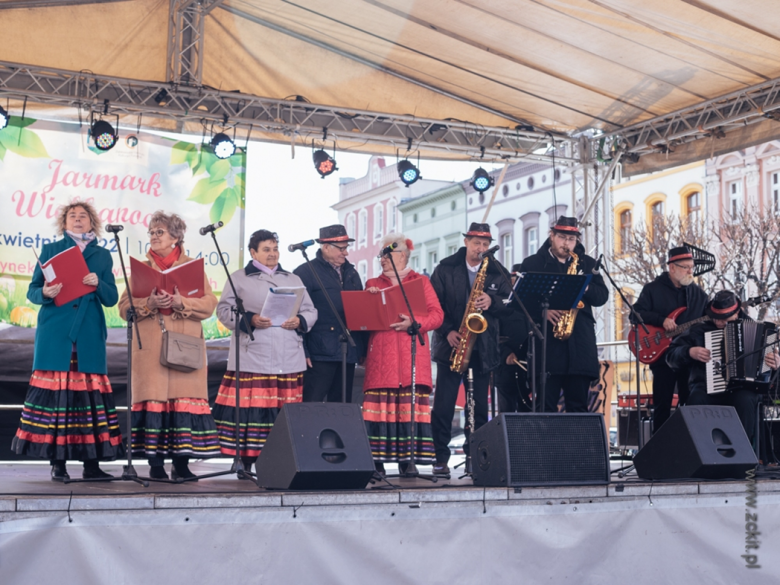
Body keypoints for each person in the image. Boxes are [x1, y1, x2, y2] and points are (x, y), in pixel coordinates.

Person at [12, 201, 123, 480]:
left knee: (89, 403)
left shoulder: (103, 255)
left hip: (88, 334)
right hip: (56, 334)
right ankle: (57, 464)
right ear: (64, 223)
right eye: (72, 216)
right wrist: (46, 292)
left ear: (92, 223)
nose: (77, 219)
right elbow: (33, 291)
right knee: (57, 403)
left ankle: (92, 466)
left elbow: (111, 299)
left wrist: (99, 283)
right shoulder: (51, 250)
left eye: (83, 216)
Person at [118, 211, 220, 480]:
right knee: (155, 402)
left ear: (175, 237)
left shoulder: (193, 267)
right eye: (151, 232)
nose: (153, 236)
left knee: (182, 403)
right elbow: (123, 307)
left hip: (184, 347)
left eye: (159, 231)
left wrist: (181, 303)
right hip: (150, 349)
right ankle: (155, 465)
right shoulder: (140, 268)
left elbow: (210, 304)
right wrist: (148, 304)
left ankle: (182, 464)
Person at [214, 230, 317, 473]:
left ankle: (281, 461)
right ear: (253, 253)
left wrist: (300, 320)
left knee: (282, 413)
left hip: (288, 354)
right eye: (266, 249)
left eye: (274, 249)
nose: (272, 254)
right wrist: (250, 319)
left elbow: (311, 310)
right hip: (254, 354)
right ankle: (246, 462)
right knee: (252, 413)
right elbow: (223, 311)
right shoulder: (238, 278)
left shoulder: (293, 279)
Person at [430, 222, 512, 479]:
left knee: (478, 409)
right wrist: (447, 331)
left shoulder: (498, 271)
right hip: (451, 346)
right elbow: (432, 305)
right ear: (466, 242)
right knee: (443, 405)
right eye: (476, 243)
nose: (481, 248)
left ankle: (476, 457)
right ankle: (440, 458)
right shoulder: (445, 268)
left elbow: (510, 305)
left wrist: (493, 301)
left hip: (483, 348)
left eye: (486, 244)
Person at [362, 234, 444, 473]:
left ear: (403, 256)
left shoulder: (421, 282)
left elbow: (437, 315)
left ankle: (408, 461)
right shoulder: (371, 283)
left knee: (408, 408)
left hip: (411, 356)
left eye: (388, 255)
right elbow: (365, 319)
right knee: (380, 409)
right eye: (381, 255)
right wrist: (371, 301)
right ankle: (376, 461)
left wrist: (414, 322)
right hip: (382, 357)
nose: (383, 259)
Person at [518, 216, 609, 413]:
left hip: (580, 347)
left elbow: (602, 296)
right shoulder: (533, 263)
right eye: (562, 237)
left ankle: (578, 445)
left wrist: (584, 286)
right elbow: (518, 302)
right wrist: (543, 311)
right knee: (546, 408)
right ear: (552, 236)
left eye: (571, 239)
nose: (566, 243)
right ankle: (547, 445)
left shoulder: (587, 264)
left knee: (579, 407)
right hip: (547, 350)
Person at [666, 290, 780, 447]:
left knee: (745, 400)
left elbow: (768, 373)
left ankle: (742, 457)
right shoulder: (698, 330)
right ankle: (700, 455)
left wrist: (775, 365)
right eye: (716, 318)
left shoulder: (759, 331)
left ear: (737, 313)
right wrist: (689, 351)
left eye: (725, 319)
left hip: (743, 389)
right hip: (706, 388)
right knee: (696, 400)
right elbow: (670, 357)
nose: (720, 323)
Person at [633, 246, 708, 431]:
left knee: (689, 403)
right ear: (672, 267)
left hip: (688, 357)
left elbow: (711, 316)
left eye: (692, 267)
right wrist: (661, 320)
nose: (691, 271)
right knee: (662, 405)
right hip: (662, 356)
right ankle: (660, 452)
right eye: (686, 267)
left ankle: (688, 448)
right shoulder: (652, 289)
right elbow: (635, 314)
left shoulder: (698, 294)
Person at [293, 224, 364, 403]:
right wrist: (304, 350)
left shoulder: (352, 273)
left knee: (342, 405)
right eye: (341, 248)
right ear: (325, 247)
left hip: (346, 351)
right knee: (312, 404)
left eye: (346, 248)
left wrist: (360, 349)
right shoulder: (305, 272)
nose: (345, 253)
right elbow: (296, 313)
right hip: (318, 353)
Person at [497, 264, 531, 413]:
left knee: (529, 410)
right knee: (507, 411)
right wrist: (505, 354)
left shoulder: (533, 304)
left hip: (529, 367)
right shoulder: (502, 305)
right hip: (507, 368)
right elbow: (494, 335)